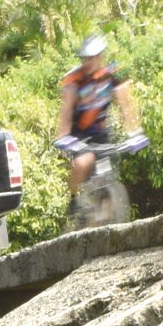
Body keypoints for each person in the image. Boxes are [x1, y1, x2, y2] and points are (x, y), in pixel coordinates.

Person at [54, 35, 145, 209]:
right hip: (78, 135)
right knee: (83, 162)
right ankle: (73, 202)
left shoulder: (111, 75)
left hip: (101, 134)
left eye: (94, 57)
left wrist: (135, 133)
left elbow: (126, 104)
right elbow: (66, 107)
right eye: (86, 58)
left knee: (109, 176)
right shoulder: (75, 78)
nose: (89, 61)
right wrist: (63, 135)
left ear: (101, 56)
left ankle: (107, 221)